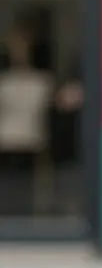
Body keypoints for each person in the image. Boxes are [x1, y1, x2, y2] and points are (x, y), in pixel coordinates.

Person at [0, 27, 54, 216]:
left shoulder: (42, 82)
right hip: (6, 143)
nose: (19, 52)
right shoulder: (4, 81)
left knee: (33, 195)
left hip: (33, 142)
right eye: (15, 48)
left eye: (23, 47)